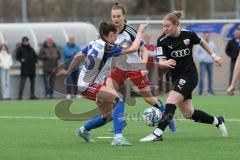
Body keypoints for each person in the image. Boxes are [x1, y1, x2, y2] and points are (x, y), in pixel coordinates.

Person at [140, 11, 228, 142]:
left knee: (171, 100)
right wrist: (165, 62)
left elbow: (202, 42)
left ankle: (157, 133)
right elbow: (161, 60)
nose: (165, 29)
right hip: (175, 78)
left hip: (190, 75)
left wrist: (214, 56)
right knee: (188, 113)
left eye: (167, 26)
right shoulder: (162, 40)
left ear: (176, 24)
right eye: (163, 26)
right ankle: (218, 121)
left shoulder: (188, 35)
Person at [57, 22, 147, 145]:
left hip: (90, 83)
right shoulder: (108, 47)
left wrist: (68, 72)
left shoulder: (93, 43)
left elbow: (78, 57)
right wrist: (140, 31)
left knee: (108, 116)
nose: (116, 38)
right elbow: (133, 48)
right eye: (115, 35)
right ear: (110, 35)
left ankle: (82, 130)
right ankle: (118, 138)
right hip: (88, 86)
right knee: (119, 99)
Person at [106, 2, 176, 146]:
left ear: (124, 17)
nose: (116, 19)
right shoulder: (110, 32)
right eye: (113, 16)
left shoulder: (131, 31)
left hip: (135, 68)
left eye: (118, 16)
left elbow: (143, 51)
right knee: (115, 97)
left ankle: (169, 117)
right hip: (119, 69)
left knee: (149, 99)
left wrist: (143, 67)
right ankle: (119, 130)